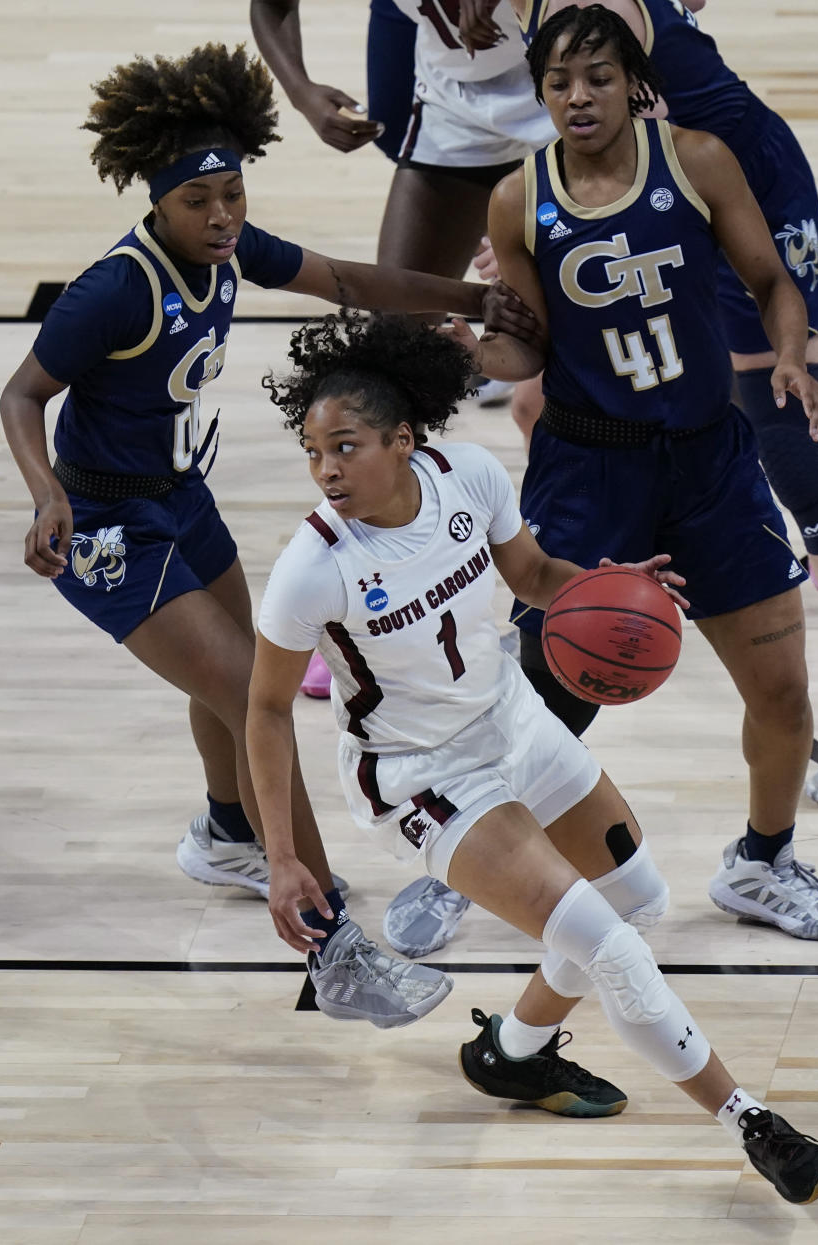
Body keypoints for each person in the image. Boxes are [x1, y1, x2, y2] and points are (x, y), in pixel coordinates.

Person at [248, 308, 818, 1205]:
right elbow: (261, 706)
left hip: (512, 717)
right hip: (423, 777)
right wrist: (285, 856)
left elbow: (531, 577)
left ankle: (512, 1054)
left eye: (347, 445)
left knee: (636, 898)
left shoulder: (470, 477)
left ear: (404, 440)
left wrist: (613, 585)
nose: (326, 469)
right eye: (314, 451)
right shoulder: (314, 566)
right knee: (609, 945)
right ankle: (752, 1120)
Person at [0, 42, 532, 1028]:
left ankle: (229, 831)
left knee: (232, 686)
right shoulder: (114, 289)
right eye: (199, 203)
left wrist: (466, 298)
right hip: (108, 522)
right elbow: (25, 393)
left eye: (233, 196)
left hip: (180, 498)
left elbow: (340, 277)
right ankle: (334, 950)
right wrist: (44, 498)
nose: (221, 218)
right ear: (157, 201)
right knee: (253, 690)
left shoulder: (233, 247)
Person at [443, 6, 818, 942]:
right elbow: (528, 352)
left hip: (710, 460)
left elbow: (770, 282)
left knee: (785, 690)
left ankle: (765, 860)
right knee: (543, 694)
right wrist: (475, 352)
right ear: (538, 93)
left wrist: (790, 354)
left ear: (632, 81)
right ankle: (466, 861)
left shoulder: (698, 160)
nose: (577, 97)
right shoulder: (518, 198)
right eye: (558, 83)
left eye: (596, 77)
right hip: (588, 466)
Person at [250, 0, 559, 958]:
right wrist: (300, 93)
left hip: (566, 92)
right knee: (390, 345)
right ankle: (370, 589)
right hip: (456, 103)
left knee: (568, 349)